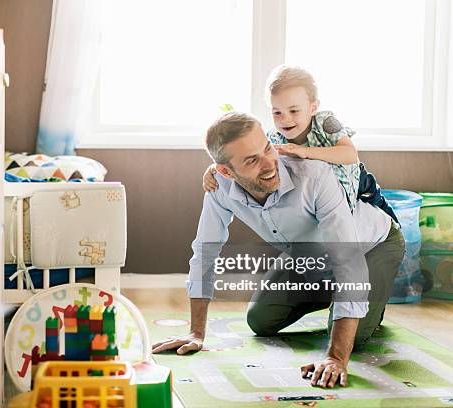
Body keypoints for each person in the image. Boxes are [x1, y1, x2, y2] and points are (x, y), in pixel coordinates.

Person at [152, 112, 405, 389]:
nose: (269, 163)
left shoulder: (315, 176)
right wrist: (196, 332)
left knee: (351, 339)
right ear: (225, 171)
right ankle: (332, 294)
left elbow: (348, 259)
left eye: (267, 148)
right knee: (260, 321)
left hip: (371, 246)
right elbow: (205, 252)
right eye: (251, 160)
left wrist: (335, 357)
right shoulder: (219, 185)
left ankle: (369, 300)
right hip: (309, 256)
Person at [202, 65, 398, 224]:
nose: (285, 119)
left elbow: (350, 154)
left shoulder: (326, 122)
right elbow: (249, 156)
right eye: (276, 112)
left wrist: (305, 151)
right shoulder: (275, 138)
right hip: (326, 196)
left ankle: (397, 229)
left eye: (294, 111)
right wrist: (216, 168)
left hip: (358, 183)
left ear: (313, 107)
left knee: (385, 219)